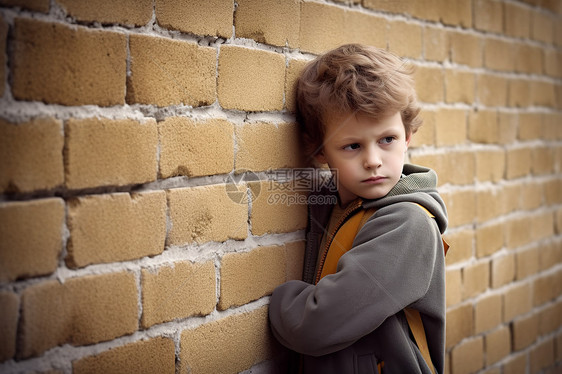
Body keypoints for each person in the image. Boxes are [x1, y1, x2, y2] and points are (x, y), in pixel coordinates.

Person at [268, 44, 448, 374]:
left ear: (408, 136)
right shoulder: (333, 205)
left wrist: (283, 299)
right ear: (321, 152)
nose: (373, 161)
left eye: (387, 139)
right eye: (352, 146)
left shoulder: (407, 224)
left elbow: (316, 326)